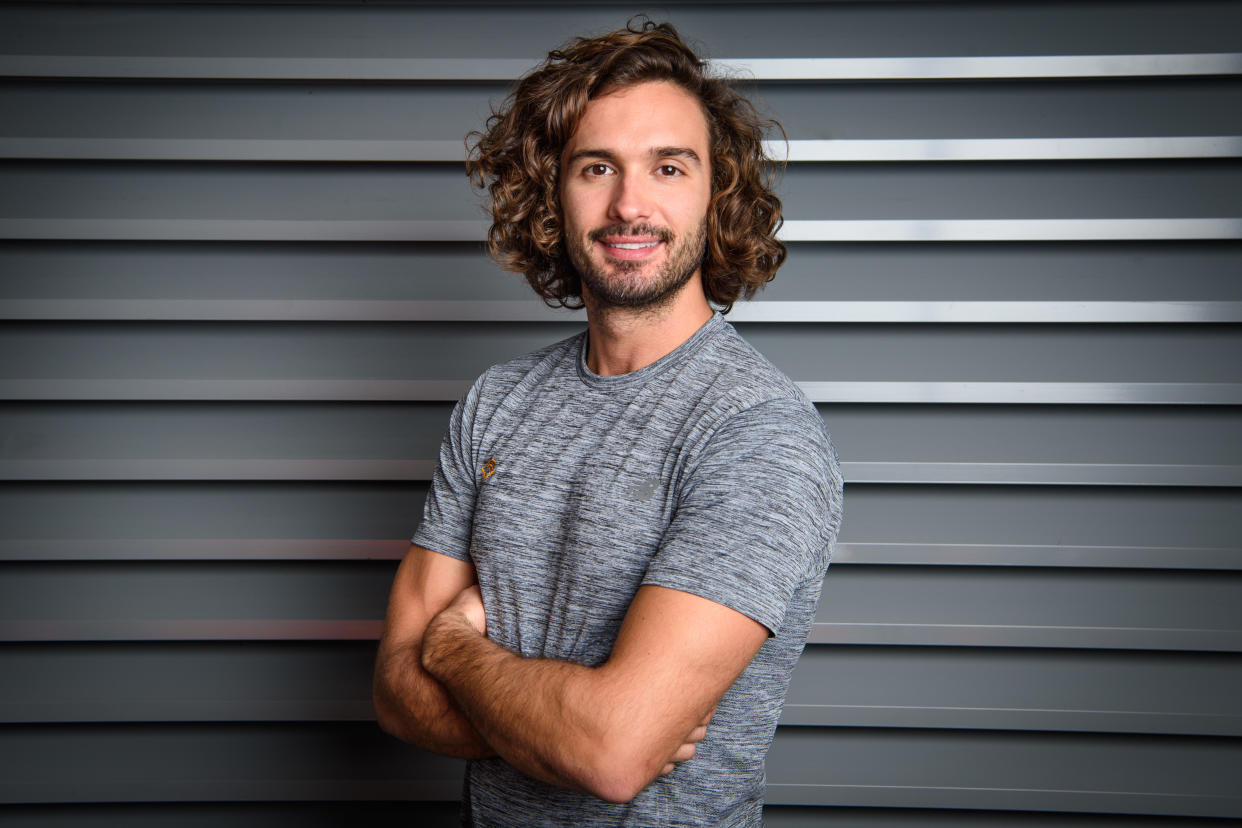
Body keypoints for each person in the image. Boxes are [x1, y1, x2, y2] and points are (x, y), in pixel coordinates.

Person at [373, 18, 843, 826]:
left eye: (668, 166)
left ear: (715, 191)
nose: (631, 204)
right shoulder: (496, 404)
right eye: (598, 167)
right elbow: (393, 692)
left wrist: (454, 651)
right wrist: (562, 721)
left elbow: (611, 753)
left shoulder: (757, 433)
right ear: (551, 189)